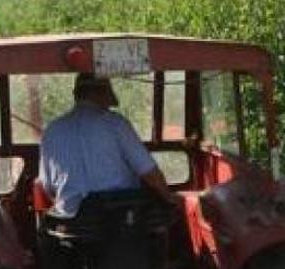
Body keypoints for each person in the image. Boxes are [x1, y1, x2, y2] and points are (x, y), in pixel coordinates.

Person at [39, 73, 180, 218]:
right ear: (103, 93)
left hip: (73, 226)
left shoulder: (51, 130)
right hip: (118, 223)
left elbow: (48, 187)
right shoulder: (116, 124)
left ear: (76, 95)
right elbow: (150, 174)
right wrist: (170, 200)